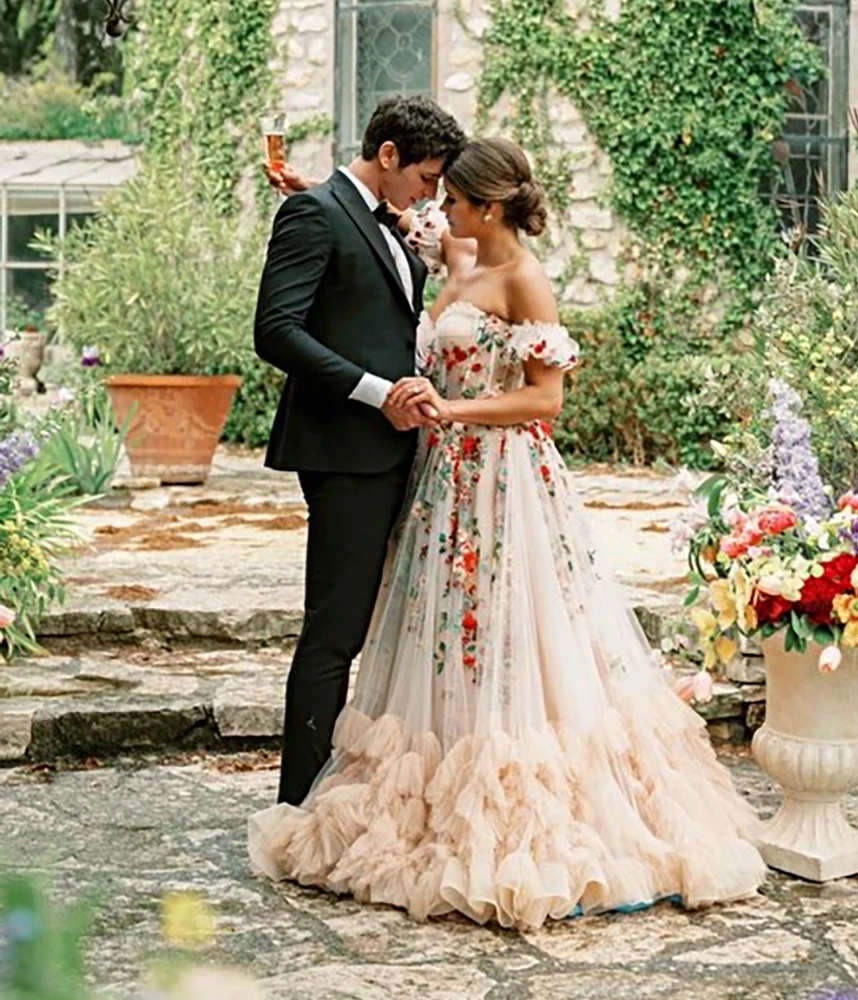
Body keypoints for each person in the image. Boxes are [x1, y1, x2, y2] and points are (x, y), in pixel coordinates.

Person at [250, 136, 766, 931]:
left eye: (450, 197)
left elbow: (545, 403)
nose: (436, 209)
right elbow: (369, 213)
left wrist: (448, 410)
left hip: (501, 479)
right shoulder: (447, 243)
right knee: (444, 634)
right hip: (440, 485)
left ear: (486, 206)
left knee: (508, 631)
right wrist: (310, 186)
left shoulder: (525, 279)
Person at [253, 95, 466, 807]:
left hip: (398, 450)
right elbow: (276, 331)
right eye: (426, 178)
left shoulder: (378, 216)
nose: (430, 196)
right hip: (348, 450)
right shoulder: (313, 212)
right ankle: (296, 807)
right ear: (387, 156)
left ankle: (338, 787)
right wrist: (378, 393)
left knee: (369, 631)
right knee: (333, 634)